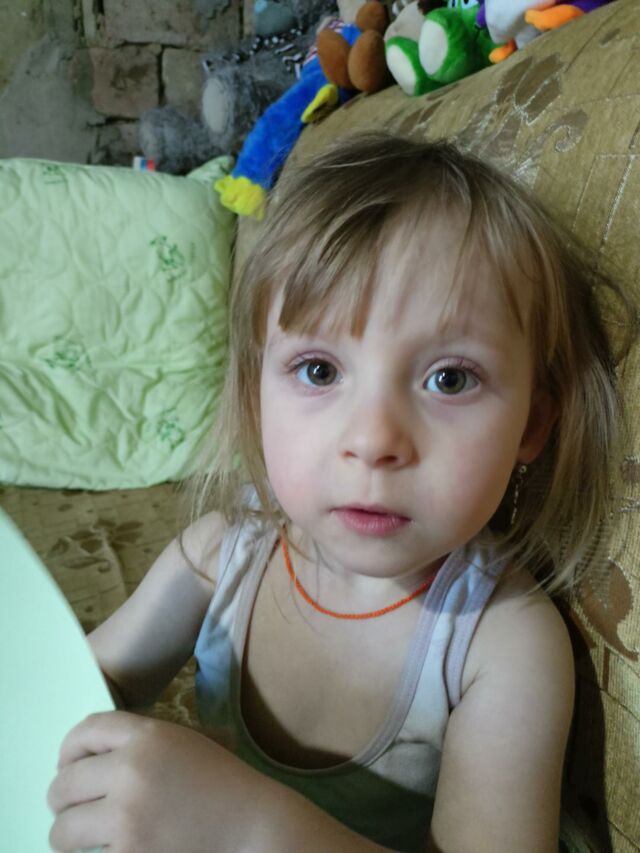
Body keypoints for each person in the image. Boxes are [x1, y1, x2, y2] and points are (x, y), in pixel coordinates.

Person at [47, 132, 630, 853]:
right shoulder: (219, 556)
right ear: (257, 399)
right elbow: (69, 697)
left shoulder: (502, 640)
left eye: (449, 378)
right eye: (319, 370)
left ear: (531, 426)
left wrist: (252, 830)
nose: (373, 439)